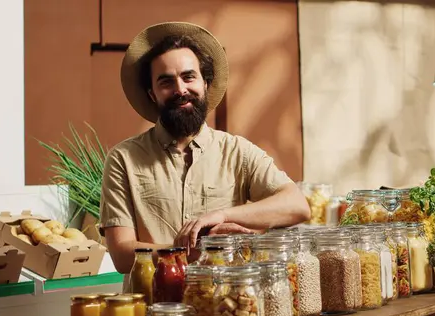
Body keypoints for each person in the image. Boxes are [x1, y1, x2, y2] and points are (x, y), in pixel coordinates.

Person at [100, 22, 310, 275]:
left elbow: (297, 206)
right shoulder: (124, 159)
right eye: (166, 82)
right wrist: (194, 249)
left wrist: (221, 216)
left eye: (189, 77)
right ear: (152, 94)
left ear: (205, 84)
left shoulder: (237, 152)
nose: (180, 90)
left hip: (226, 306)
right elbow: (122, 256)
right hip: (154, 308)